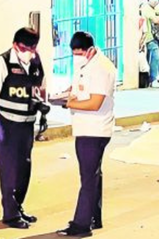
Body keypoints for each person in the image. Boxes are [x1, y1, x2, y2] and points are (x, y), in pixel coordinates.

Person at [57, 32, 117, 237]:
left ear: (91, 49)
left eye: (80, 53)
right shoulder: (87, 64)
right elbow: (80, 87)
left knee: (88, 178)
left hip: (95, 129)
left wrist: (69, 103)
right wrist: (66, 93)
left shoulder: (102, 68)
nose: (77, 56)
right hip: (85, 128)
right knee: (93, 175)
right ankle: (93, 217)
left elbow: (95, 102)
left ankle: (81, 225)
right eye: (74, 53)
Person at [0, 27, 46, 229]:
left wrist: (41, 106)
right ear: (15, 45)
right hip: (7, 126)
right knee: (9, 172)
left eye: (33, 47)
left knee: (23, 170)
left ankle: (18, 207)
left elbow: (39, 87)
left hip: (26, 126)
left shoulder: (36, 62)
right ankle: (10, 215)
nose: (29, 52)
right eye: (25, 47)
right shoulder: (1, 63)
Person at [140, 0, 159, 88]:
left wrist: (158, 17)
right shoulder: (146, 8)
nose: (154, 0)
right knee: (156, 57)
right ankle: (153, 79)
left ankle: (154, 79)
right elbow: (156, 20)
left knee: (152, 58)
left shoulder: (156, 8)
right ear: (147, 0)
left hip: (154, 37)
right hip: (147, 37)